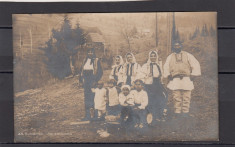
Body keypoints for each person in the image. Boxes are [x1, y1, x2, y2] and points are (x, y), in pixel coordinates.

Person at [163, 42, 201, 117]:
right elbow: (166, 66)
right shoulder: (170, 57)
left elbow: (195, 64)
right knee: (176, 96)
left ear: (181, 46)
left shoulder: (187, 55)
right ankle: (177, 112)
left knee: (186, 96)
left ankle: (185, 112)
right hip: (175, 78)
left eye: (178, 45)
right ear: (173, 47)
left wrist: (193, 74)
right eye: (175, 46)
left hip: (186, 78)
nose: (177, 47)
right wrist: (168, 75)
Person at [141, 51, 168, 122]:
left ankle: (159, 115)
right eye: (151, 56)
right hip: (149, 85)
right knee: (150, 100)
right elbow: (141, 75)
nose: (153, 57)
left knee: (160, 98)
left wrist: (161, 81)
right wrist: (147, 76)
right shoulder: (146, 65)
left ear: (156, 57)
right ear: (149, 57)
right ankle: (149, 116)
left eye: (154, 56)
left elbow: (162, 74)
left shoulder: (158, 65)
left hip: (157, 84)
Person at [79, 48, 103, 121]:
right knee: (87, 98)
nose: (90, 53)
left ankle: (95, 116)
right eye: (88, 52)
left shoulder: (96, 60)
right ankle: (87, 115)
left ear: (93, 53)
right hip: (86, 81)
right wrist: (81, 80)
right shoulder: (84, 60)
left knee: (94, 97)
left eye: (91, 52)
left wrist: (95, 81)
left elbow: (100, 72)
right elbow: (81, 71)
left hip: (93, 81)